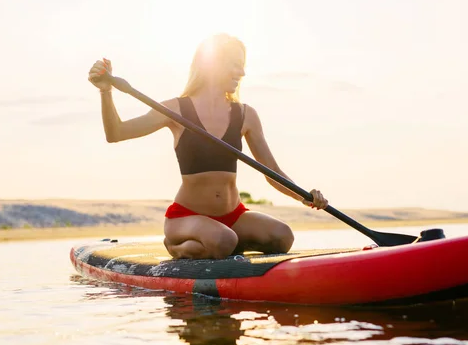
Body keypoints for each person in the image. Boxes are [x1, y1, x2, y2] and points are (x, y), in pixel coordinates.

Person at [88, 33, 329, 260]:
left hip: (233, 217)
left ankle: (221, 246)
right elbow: (116, 133)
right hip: (187, 217)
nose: (242, 72)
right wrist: (106, 91)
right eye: (235, 63)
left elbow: (272, 171)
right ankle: (178, 245)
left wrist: (305, 197)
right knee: (225, 240)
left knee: (282, 237)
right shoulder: (175, 109)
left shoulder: (245, 115)